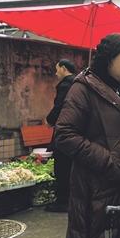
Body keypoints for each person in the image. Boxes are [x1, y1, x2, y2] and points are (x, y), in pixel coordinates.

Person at [54, 33, 120, 238]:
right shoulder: (83, 88)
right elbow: (64, 134)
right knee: (98, 237)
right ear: (109, 58)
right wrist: (109, 162)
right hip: (98, 187)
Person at [45, 59, 76, 212]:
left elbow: (60, 107)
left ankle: (62, 202)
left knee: (61, 167)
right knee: (70, 167)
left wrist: (50, 120)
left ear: (64, 68)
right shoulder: (79, 84)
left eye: (57, 69)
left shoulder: (65, 85)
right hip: (77, 133)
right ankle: (71, 199)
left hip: (64, 133)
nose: (56, 73)